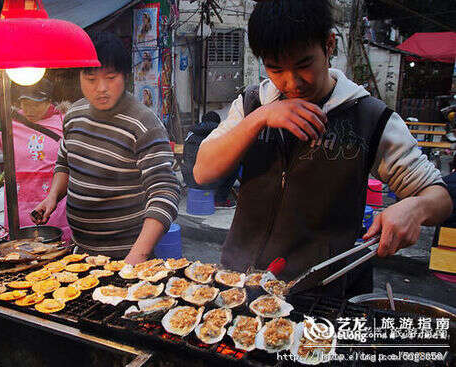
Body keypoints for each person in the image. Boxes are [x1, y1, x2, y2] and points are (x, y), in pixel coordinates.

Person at [193, 0, 452, 297]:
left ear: (329, 45)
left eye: (304, 64)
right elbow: (203, 172)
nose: (291, 83)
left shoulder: (368, 117)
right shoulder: (252, 104)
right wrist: (260, 118)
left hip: (321, 292)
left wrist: (416, 207)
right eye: (275, 68)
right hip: (240, 283)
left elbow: (439, 196)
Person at [32, 32, 180, 265]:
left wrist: (136, 257)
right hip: (80, 254)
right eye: (91, 80)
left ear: (126, 77)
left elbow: (165, 193)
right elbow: (64, 162)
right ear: (80, 77)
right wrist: (52, 197)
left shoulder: (143, 123)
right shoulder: (73, 115)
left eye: (110, 78)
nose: (101, 88)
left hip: (127, 257)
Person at [0, 78, 71, 241]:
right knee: (20, 251)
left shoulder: (63, 120)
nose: (30, 109)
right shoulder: (11, 122)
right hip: (19, 202)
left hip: (54, 200)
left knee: (57, 248)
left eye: (36, 104)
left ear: (49, 102)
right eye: (25, 103)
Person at [181, 111, 237, 209]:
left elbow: (185, 156)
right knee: (235, 165)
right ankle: (220, 200)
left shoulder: (191, 134)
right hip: (208, 180)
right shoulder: (221, 133)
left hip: (189, 179)